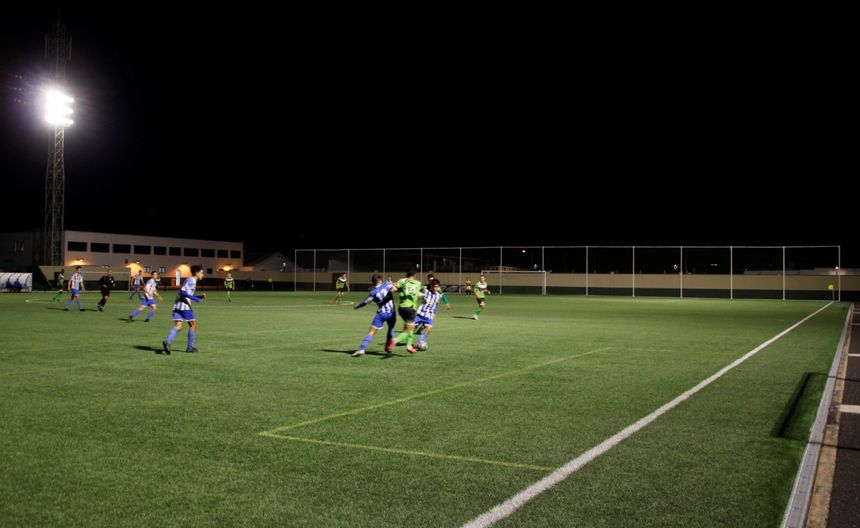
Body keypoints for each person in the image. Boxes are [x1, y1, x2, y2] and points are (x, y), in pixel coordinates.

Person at [162, 265, 206, 355]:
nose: (203, 274)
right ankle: (189, 348)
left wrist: (198, 297)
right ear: (197, 273)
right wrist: (195, 299)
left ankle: (167, 342)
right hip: (184, 306)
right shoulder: (192, 280)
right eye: (202, 272)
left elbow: (186, 293)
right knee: (193, 325)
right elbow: (182, 292)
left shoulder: (190, 279)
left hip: (177, 305)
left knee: (178, 327)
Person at [351, 273, 397, 357]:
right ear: (380, 280)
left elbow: (366, 302)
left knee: (371, 332)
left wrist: (358, 306)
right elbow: (394, 289)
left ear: (373, 282)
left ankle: (361, 349)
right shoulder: (387, 284)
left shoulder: (373, 292)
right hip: (391, 313)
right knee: (391, 329)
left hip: (381, 314)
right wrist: (390, 282)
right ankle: (388, 347)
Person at [391, 270, 423, 353]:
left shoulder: (402, 281)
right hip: (410, 309)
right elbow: (419, 293)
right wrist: (422, 295)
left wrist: (391, 284)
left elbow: (393, 289)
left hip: (401, 308)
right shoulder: (417, 283)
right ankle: (395, 340)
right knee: (408, 329)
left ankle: (409, 345)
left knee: (410, 327)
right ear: (415, 275)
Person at [414, 279, 444, 350]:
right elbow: (417, 292)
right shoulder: (426, 291)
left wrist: (434, 313)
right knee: (411, 328)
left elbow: (436, 304)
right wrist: (419, 295)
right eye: (433, 286)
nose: (434, 288)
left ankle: (419, 342)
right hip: (420, 314)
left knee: (428, 329)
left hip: (429, 315)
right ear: (431, 286)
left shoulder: (438, 295)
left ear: (438, 287)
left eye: (436, 287)